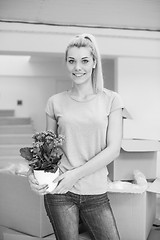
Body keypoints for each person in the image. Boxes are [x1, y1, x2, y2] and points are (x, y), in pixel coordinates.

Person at [28, 33, 124, 240]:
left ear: (94, 63)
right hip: (60, 191)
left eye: (84, 61)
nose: (77, 67)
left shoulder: (111, 100)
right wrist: (32, 174)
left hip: (95, 192)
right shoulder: (55, 102)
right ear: (66, 63)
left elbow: (113, 149)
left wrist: (75, 174)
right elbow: (46, 149)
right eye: (71, 61)